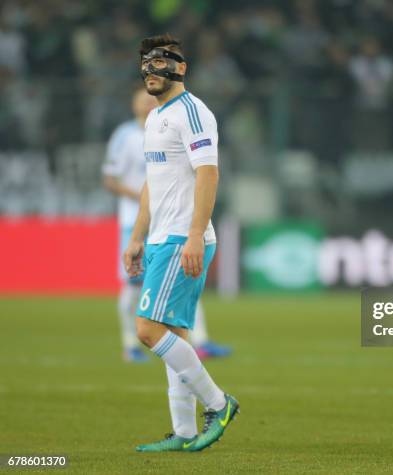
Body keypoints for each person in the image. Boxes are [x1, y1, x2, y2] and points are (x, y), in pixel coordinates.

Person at [124, 34, 239, 452]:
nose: (150, 71)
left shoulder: (192, 112)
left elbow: (209, 174)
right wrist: (137, 238)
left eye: (160, 63)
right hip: (159, 238)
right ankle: (186, 432)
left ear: (180, 68)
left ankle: (219, 403)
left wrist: (194, 234)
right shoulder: (155, 117)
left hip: (181, 238)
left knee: (147, 329)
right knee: (175, 334)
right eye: (145, 64)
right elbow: (152, 184)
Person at [103, 89, 233, 362]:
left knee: (183, 281)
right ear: (133, 104)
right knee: (133, 285)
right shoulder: (125, 136)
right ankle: (130, 345)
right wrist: (145, 198)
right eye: (142, 98)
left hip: (173, 221)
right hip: (135, 220)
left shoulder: (171, 124)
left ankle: (201, 341)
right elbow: (110, 179)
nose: (149, 101)